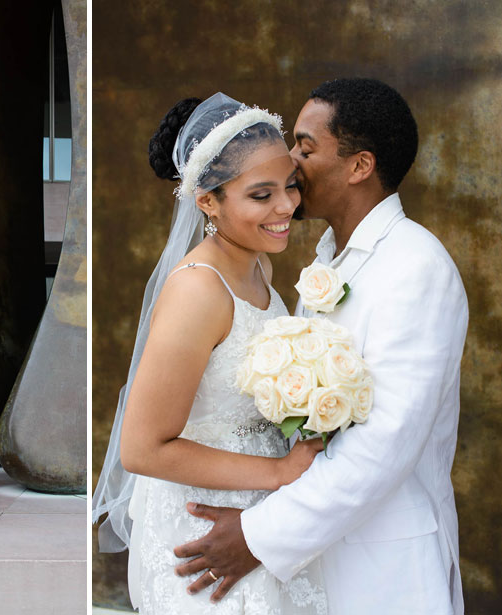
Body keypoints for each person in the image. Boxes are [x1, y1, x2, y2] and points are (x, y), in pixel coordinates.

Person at [173, 79, 469, 615]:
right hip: (315, 564)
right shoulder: (326, 261)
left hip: (384, 567)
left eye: (305, 148)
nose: (288, 160)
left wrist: (258, 535)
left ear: (359, 166)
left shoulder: (416, 267)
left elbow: (383, 446)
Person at [92, 93, 328, 613]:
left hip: (262, 515)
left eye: (289, 185)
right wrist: (279, 472)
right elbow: (142, 450)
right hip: (203, 529)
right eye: (261, 195)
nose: (286, 206)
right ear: (207, 202)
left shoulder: (257, 264)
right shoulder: (199, 290)